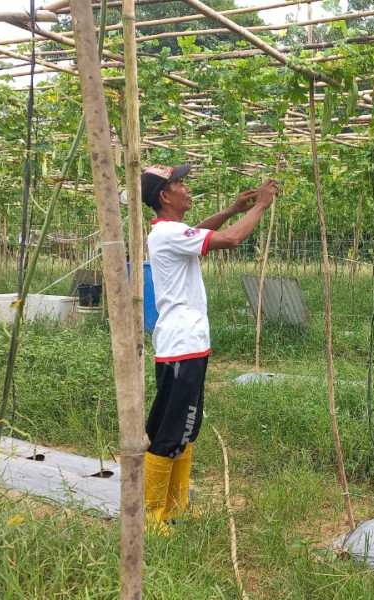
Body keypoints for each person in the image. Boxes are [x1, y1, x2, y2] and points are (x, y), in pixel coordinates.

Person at [140, 164, 278, 529]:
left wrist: (232, 209)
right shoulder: (167, 233)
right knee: (171, 429)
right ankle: (152, 515)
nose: (187, 188)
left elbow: (201, 231)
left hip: (189, 345)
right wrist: (260, 206)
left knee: (188, 426)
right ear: (164, 196)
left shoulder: (171, 232)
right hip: (180, 346)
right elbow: (230, 240)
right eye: (179, 183)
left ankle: (175, 507)